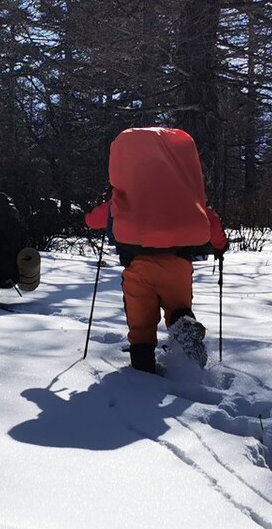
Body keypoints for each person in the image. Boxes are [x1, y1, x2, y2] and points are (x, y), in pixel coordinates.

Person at [85, 127, 228, 373]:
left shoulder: (128, 196)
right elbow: (210, 221)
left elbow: (93, 219)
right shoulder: (185, 196)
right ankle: (185, 335)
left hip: (138, 265)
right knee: (178, 311)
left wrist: (93, 212)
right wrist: (221, 245)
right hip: (178, 263)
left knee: (141, 326)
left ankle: (143, 372)